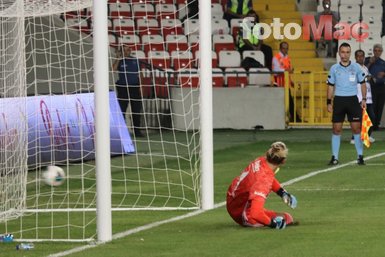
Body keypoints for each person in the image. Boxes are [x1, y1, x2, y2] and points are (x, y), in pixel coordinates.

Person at [226, 141, 297, 230]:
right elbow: (255, 214)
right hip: (241, 213)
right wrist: (273, 224)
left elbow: (268, 177)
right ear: (283, 161)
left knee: (283, 217)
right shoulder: (263, 181)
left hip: (232, 198)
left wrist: (282, 192)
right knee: (287, 218)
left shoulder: (261, 160)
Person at [327, 43, 366, 165]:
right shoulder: (334, 68)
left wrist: (363, 99)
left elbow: (363, 83)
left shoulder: (356, 67)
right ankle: (334, 157)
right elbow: (330, 86)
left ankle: (360, 156)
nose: (345, 54)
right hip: (339, 100)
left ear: (350, 53)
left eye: (347, 52)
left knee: (356, 128)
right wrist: (328, 101)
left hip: (352, 100)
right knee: (336, 129)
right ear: (339, 53)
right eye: (342, 52)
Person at [113, 45, 144, 137]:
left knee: (136, 111)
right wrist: (118, 58)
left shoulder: (136, 60)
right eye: (125, 50)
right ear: (121, 51)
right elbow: (113, 70)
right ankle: (122, 132)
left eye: (128, 50)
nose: (127, 51)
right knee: (122, 110)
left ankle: (137, 131)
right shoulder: (119, 61)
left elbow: (140, 73)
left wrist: (141, 86)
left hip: (135, 88)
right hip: (123, 88)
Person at [350, 50, 375, 144]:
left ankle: (367, 135)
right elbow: (353, 80)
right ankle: (354, 137)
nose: (360, 58)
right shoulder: (353, 67)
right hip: (359, 97)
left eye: (362, 56)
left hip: (368, 98)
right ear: (355, 57)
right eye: (358, 56)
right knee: (359, 118)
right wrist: (366, 78)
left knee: (371, 117)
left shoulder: (364, 67)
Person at [272, 41, 301, 122]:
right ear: (280, 48)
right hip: (279, 84)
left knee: (289, 102)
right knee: (286, 103)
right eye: (284, 48)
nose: (286, 50)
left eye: (287, 48)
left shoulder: (287, 58)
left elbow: (288, 72)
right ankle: (294, 118)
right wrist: (286, 70)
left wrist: (291, 81)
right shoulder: (276, 58)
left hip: (286, 84)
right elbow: (275, 70)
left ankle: (294, 118)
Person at [365, 44, 385, 131]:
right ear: (373, 51)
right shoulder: (367, 60)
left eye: (379, 51)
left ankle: (376, 125)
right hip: (370, 87)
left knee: (379, 107)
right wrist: (370, 63)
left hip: (381, 87)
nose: (377, 52)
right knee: (371, 107)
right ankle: (370, 126)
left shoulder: (383, 62)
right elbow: (363, 70)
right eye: (375, 50)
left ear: (381, 52)